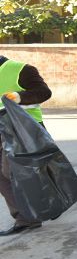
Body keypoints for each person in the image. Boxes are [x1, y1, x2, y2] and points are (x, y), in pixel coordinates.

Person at [0, 55, 52, 236]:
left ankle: (28, 217)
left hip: (21, 128)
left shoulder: (21, 69)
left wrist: (19, 96)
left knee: (12, 173)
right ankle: (27, 215)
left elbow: (44, 92)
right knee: (3, 175)